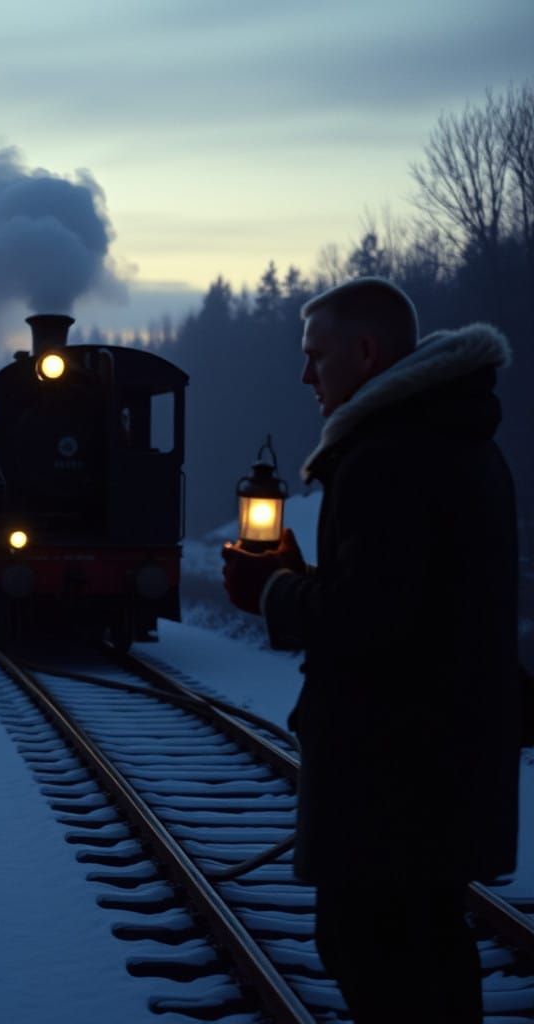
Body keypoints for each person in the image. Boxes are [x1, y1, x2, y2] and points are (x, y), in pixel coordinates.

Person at [221, 276, 521, 1023]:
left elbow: (371, 618)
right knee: (430, 955)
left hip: (392, 779)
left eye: (314, 356)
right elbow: (416, 600)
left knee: (371, 951)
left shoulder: (388, 456)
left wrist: (270, 589)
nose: (303, 376)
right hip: (442, 770)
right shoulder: (460, 442)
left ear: (365, 352)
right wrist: (301, 577)